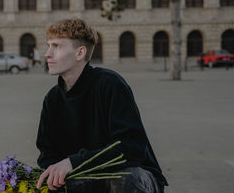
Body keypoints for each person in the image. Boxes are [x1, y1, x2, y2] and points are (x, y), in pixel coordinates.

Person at [35, 19, 167, 193]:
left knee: (124, 178)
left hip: (134, 176)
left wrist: (73, 162)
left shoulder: (110, 84)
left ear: (80, 53)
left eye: (57, 46)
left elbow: (131, 147)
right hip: (85, 177)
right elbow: (47, 154)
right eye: (49, 45)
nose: (47, 54)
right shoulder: (52, 99)